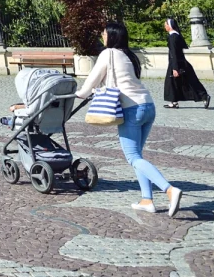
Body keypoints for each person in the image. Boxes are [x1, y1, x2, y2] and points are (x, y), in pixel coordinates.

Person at [76, 20, 184, 217]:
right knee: (138, 156)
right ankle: (147, 200)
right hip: (148, 106)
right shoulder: (128, 55)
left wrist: (79, 94)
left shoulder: (108, 53)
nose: (102, 36)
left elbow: (92, 79)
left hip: (132, 110)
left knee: (133, 157)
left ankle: (169, 190)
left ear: (112, 36)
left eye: (105, 33)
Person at [163, 18, 210, 109]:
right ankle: (174, 102)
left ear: (170, 26)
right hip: (180, 62)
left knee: (188, 82)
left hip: (176, 63)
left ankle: (204, 96)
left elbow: (174, 53)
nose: (165, 26)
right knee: (174, 83)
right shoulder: (177, 36)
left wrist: (175, 68)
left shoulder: (172, 37)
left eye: (166, 24)